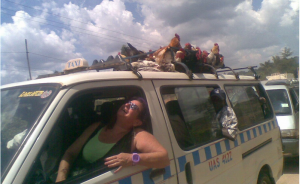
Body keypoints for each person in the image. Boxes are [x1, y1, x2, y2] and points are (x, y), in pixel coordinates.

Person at [55, 97, 170, 183]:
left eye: (133, 107)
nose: (127, 105)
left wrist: (132, 158)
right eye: (128, 102)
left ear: (137, 122)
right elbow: (70, 153)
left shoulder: (137, 135)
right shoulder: (96, 127)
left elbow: (164, 159)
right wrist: (61, 177)